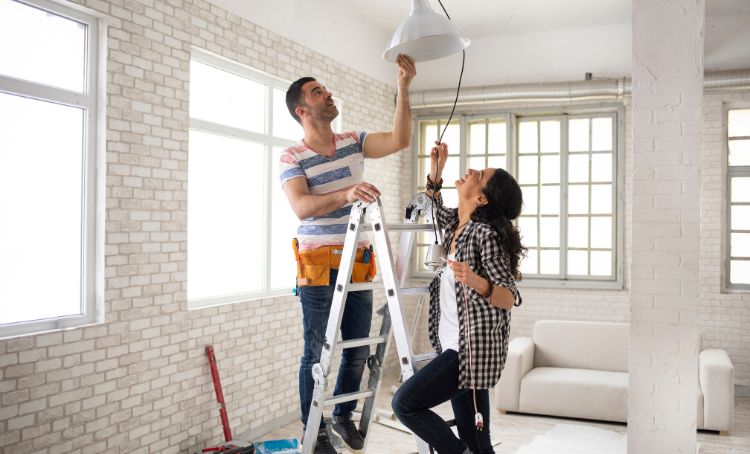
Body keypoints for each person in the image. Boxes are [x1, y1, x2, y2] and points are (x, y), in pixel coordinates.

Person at [280, 54, 417, 454]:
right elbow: (302, 208)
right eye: (318, 92)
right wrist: (346, 193)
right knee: (316, 351)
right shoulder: (292, 157)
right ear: (303, 110)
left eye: (326, 89)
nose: (328, 95)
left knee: (357, 345)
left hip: (356, 261)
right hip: (319, 263)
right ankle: (315, 430)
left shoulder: (353, 142)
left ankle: (343, 415)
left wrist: (404, 88)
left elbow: (399, 140)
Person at [391, 142, 525, 454]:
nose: (469, 171)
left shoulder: (485, 235)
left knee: (405, 404)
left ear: (481, 198)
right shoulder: (457, 226)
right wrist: (436, 170)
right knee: (478, 443)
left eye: (478, 174)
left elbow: (508, 298)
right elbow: (434, 207)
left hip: (469, 351)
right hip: (455, 345)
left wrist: (477, 281)